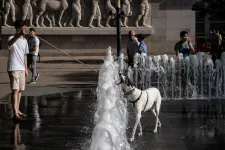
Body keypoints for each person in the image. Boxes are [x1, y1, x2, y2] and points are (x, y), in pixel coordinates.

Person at [7, 20, 29, 121]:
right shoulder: (11, 38)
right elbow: (10, 44)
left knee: (20, 90)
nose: (25, 29)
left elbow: (25, 55)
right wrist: (19, 34)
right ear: (19, 28)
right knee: (15, 90)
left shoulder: (24, 41)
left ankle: (18, 110)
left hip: (21, 68)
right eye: (23, 28)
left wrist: (26, 68)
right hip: (14, 67)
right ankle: (15, 112)